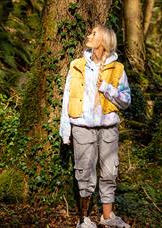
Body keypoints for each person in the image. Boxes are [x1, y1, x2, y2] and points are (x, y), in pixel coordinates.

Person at [60, 25, 131, 228]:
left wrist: (107, 88)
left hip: (108, 128)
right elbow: (67, 99)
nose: (89, 36)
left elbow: (126, 100)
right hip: (81, 126)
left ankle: (107, 217)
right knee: (84, 171)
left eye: (93, 34)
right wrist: (65, 131)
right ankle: (84, 220)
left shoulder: (118, 69)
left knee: (109, 171)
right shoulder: (77, 66)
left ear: (104, 41)